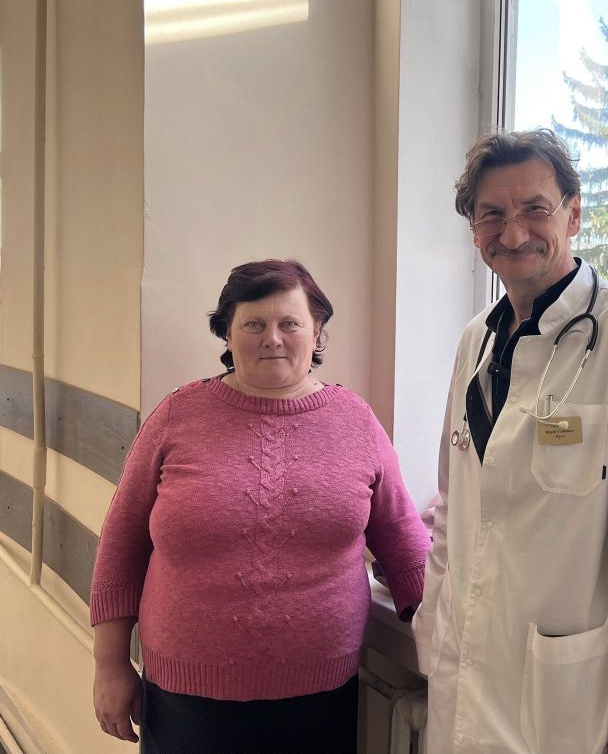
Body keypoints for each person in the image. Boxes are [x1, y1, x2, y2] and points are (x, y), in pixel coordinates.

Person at [412, 129, 608, 754]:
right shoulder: (476, 340)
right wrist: (433, 636)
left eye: (535, 209)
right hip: (462, 684)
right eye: (492, 214)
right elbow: (454, 508)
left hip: (564, 707)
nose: (513, 233)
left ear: (573, 214)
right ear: (474, 231)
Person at [90, 259, 430, 754]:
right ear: (227, 334)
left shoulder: (356, 421)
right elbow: (121, 546)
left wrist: (452, 630)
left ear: (317, 331)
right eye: (253, 324)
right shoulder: (177, 416)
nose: (272, 338)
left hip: (319, 698)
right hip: (187, 700)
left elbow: (401, 539)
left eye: (290, 323)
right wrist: (110, 665)